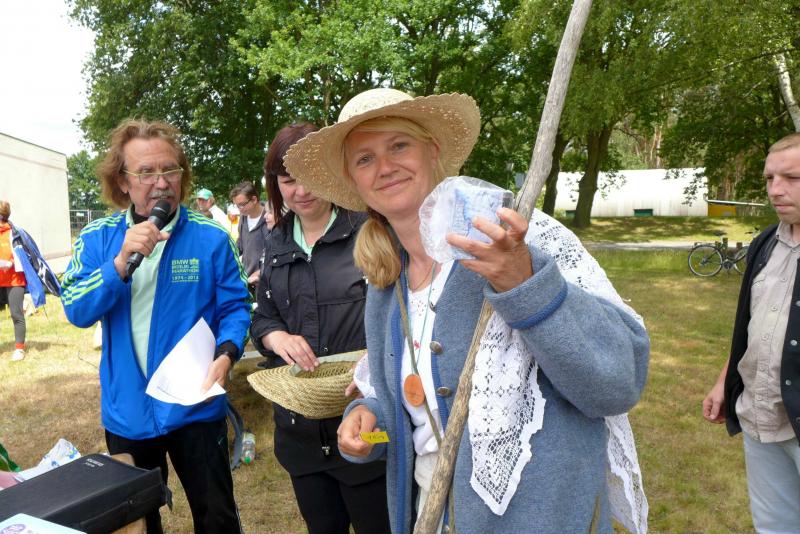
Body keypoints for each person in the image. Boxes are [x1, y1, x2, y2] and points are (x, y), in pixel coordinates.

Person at [283, 88, 650, 533]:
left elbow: (619, 382)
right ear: (354, 182)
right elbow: (409, 424)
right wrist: (368, 426)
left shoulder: (512, 236)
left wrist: (525, 282)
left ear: (433, 151)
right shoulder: (385, 284)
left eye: (398, 145)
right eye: (364, 159)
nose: (384, 167)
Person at [60, 119, 250, 534]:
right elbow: (75, 308)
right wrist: (116, 266)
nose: (161, 183)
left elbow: (236, 306)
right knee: (137, 524)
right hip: (128, 413)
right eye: (146, 172)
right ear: (123, 182)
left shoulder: (211, 236)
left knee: (217, 516)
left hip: (196, 406)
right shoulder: (98, 238)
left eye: (170, 170)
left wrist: (227, 352)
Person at [250, 123, 391, 534]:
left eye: (311, 177)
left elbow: (401, 316)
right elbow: (263, 315)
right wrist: (274, 336)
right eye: (288, 181)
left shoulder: (370, 231)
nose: (301, 191)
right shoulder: (274, 241)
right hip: (299, 436)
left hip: (367, 424)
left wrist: (377, 359)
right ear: (275, 184)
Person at [702, 132, 800, 532]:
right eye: (769, 178)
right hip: (761, 418)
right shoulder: (765, 244)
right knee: (775, 528)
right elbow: (751, 325)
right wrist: (724, 382)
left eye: (792, 178)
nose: (775, 190)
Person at [0, 201, 27, 361]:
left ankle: (19, 349)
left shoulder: (15, 233)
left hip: (14, 280)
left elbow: (24, 255)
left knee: (16, 314)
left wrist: (11, 262)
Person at [230, 181, 271, 286]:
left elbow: (276, 251)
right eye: (237, 206)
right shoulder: (243, 218)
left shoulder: (270, 218)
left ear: (254, 199)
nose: (239, 209)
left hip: (265, 281)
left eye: (242, 205)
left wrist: (261, 271)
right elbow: (241, 244)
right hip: (246, 279)